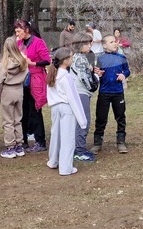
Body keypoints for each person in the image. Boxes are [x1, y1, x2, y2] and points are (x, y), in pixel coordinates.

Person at [46, 47, 89, 176]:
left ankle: (53, 161)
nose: (72, 59)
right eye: (71, 57)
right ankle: (65, 168)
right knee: (67, 137)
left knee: (56, 135)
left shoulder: (53, 74)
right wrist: (82, 120)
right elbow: (73, 98)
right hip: (66, 108)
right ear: (65, 61)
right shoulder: (66, 77)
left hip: (55, 108)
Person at [15, 19, 51, 152]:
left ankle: (40, 142)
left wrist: (32, 63)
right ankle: (23, 140)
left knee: (35, 111)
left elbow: (47, 60)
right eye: (16, 31)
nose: (17, 34)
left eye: (19, 31)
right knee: (22, 111)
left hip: (35, 79)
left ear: (26, 30)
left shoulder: (38, 42)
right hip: (21, 80)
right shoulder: (18, 43)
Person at [93, 35, 130, 154]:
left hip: (118, 92)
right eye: (111, 42)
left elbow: (127, 70)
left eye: (115, 41)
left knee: (120, 117)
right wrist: (97, 72)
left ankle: (121, 142)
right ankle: (97, 143)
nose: (114, 43)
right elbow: (96, 70)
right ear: (104, 45)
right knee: (101, 118)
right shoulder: (100, 58)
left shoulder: (121, 57)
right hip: (104, 92)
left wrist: (124, 75)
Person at [69, 32, 100, 162]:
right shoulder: (80, 58)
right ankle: (79, 150)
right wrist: (94, 83)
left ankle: (78, 148)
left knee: (80, 121)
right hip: (81, 93)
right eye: (87, 43)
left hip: (79, 92)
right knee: (83, 121)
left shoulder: (78, 57)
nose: (89, 45)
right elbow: (83, 78)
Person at [0, 36, 29, 159]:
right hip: (19, 90)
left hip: (7, 90)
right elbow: (26, 74)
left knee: (8, 121)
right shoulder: (23, 62)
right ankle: (19, 145)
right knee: (17, 119)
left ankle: (10, 147)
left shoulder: (3, 65)